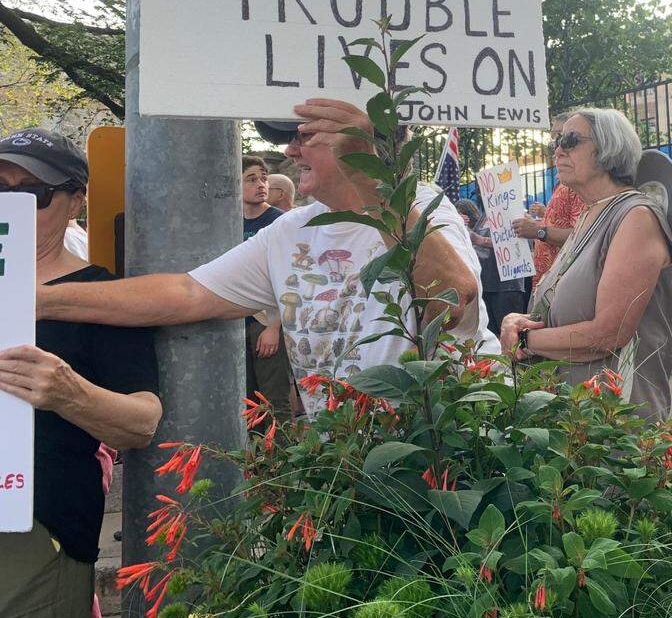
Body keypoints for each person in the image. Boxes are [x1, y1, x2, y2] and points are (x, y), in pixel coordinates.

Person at [36, 100, 499, 415]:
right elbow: (186, 293)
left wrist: (374, 181)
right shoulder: (291, 229)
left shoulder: (420, 203)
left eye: (305, 136)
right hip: (354, 459)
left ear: (361, 142)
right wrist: (38, 299)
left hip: (448, 445)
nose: (289, 151)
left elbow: (453, 300)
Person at [0, 129, 161, 618]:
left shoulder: (102, 296)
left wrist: (69, 393)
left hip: (33, 527)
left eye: (33, 192)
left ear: (75, 200)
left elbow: (141, 424)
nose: (11, 202)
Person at [500, 109, 672, 420]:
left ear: (609, 149)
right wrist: (520, 320)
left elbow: (608, 335)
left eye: (571, 140)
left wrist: (524, 339)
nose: (558, 150)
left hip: (617, 423)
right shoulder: (588, 215)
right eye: (556, 141)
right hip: (575, 417)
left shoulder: (636, 216)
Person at [240, 156, 295, 417]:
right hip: (235, 318)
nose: (261, 184)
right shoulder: (226, 220)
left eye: (263, 178)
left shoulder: (279, 221)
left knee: (274, 401)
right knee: (246, 402)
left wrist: (274, 327)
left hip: (267, 317)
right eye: (252, 179)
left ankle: (282, 456)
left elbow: (290, 277)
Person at [514, 114, 585, 291]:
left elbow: (582, 236)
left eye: (564, 139)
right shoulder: (562, 183)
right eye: (554, 140)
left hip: (563, 285)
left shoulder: (578, 184)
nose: (557, 148)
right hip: (546, 283)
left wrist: (537, 230)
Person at [456, 198, 525, 338]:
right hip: (487, 284)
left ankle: (514, 361)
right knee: (492, 334)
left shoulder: (514, 215)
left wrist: (480, 240)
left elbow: (518, 243)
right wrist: (460, 225)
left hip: (507, 285)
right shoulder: (484, 216)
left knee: (511, 336)